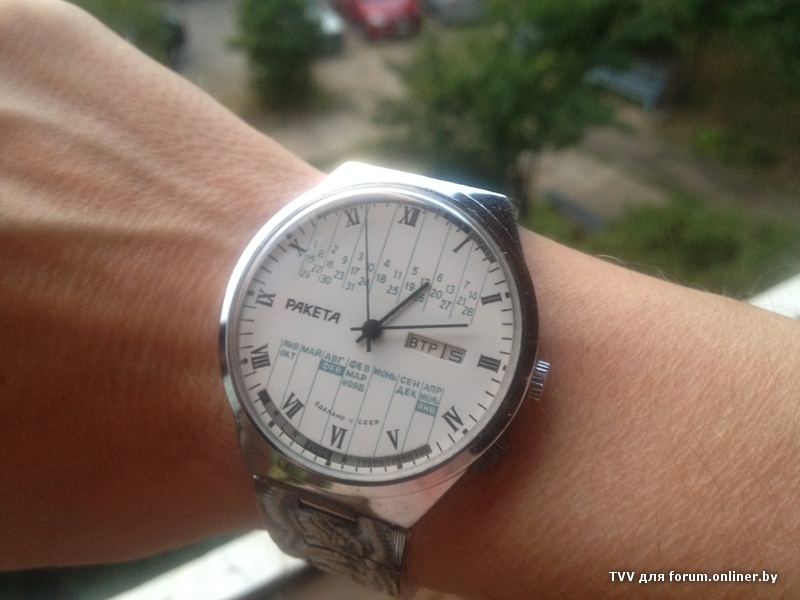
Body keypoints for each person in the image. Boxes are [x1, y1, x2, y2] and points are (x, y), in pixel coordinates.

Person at [1, 1, 798, 598]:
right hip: (311, 437)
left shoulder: (511, 381)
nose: (371, 329)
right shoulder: (329, 237)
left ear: (528, 379)